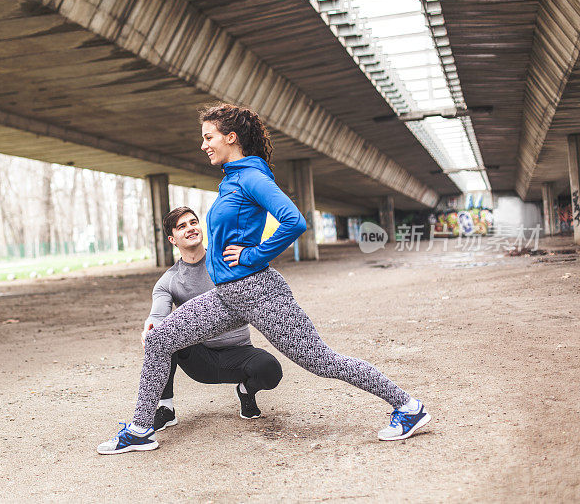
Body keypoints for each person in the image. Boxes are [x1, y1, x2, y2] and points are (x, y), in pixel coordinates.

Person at [97, 103, 431, 455]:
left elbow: (294, 220)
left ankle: (408, 407)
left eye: (208, 137)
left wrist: (252, 256)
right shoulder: (233, 178)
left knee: (321, 361)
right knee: (160, 339)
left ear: (231, 137)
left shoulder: (252, 177)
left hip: (259, 294)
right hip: (228, 296)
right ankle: (141, 428)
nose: (203, 145)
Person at [143, 206, 283, 432]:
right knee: (161, 336)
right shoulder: (169, 280)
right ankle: (165, 409)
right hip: (200, 358)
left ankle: (246, 391)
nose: (190, 228)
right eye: (182, 226)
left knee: (270, 369)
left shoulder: (227, 261)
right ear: (172, 239)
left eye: (193, 222)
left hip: (238, 353)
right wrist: (151, 326)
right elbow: (158, 315)